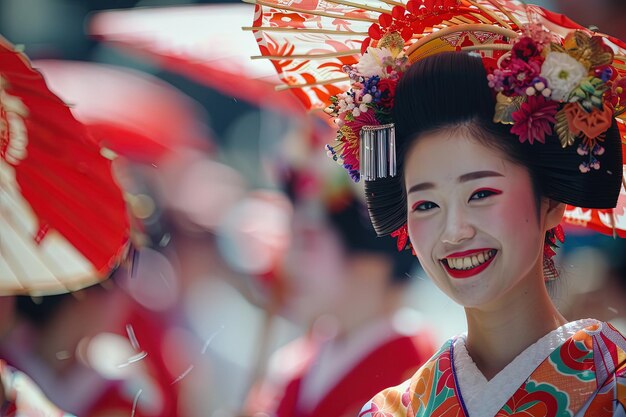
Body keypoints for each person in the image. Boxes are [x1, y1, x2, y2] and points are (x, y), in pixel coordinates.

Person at [249, 0, 626, 415]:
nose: (454, 230)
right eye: (426, 204)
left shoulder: (615, 386)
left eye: (481, 194)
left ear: (550, 198)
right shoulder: (391, 411)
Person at [244, 169, 436, 417]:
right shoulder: (295, 363)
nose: (289, 263)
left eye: (307, 242)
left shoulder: (419, 373)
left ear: (371, 259)